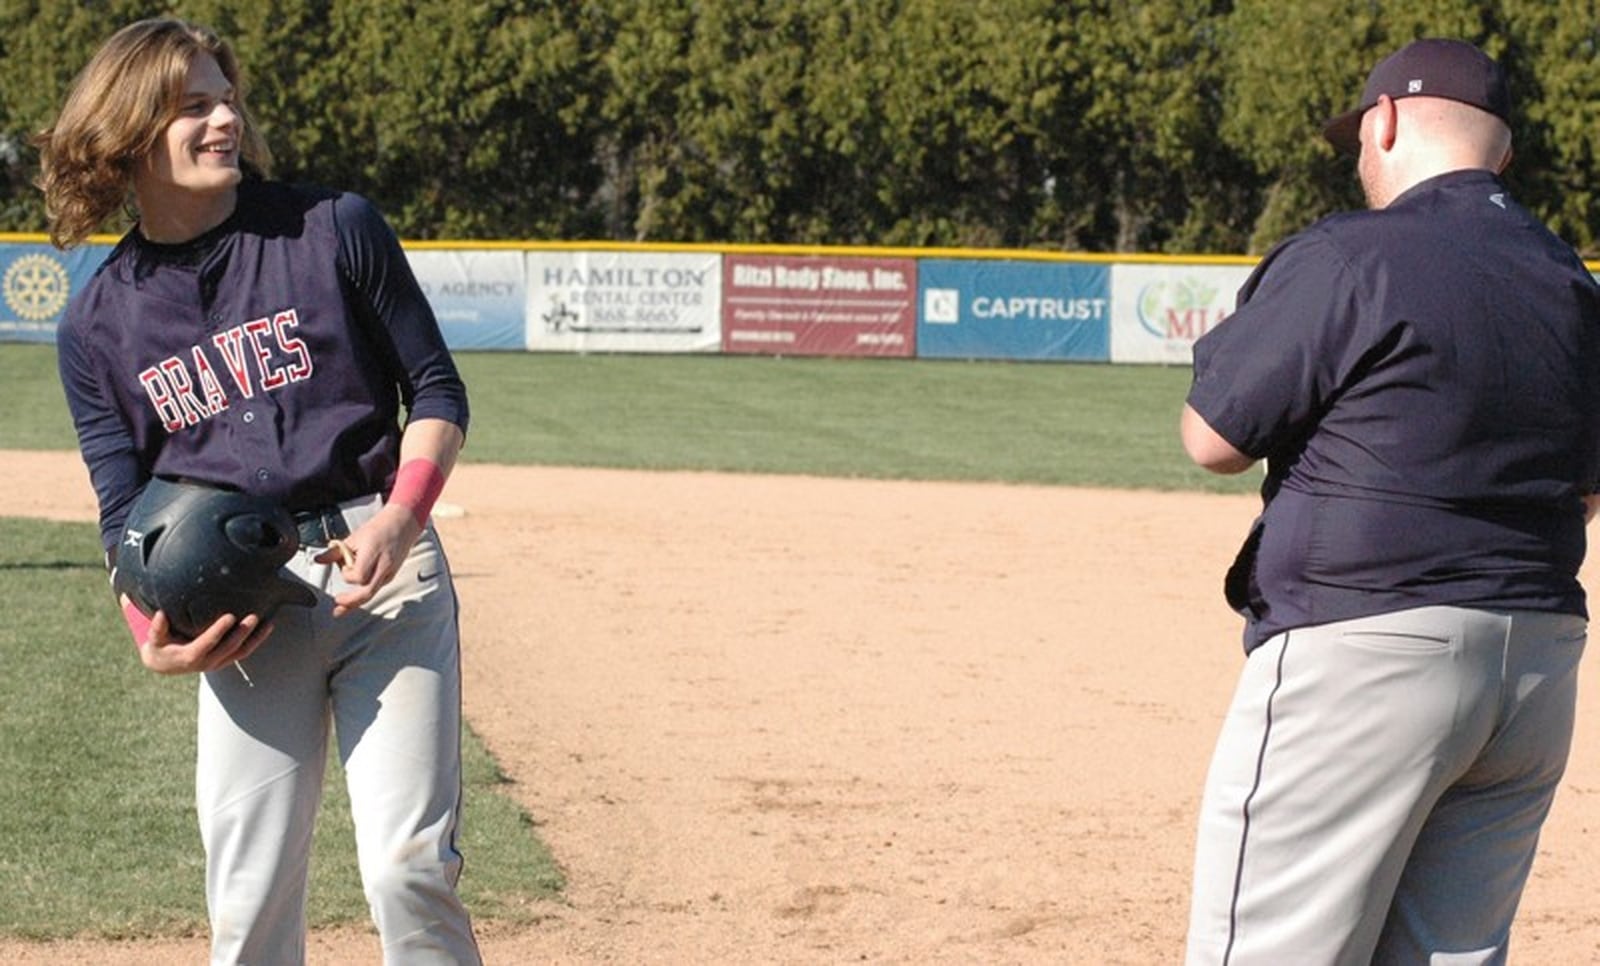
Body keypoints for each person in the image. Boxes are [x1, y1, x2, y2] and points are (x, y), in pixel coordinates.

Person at [37, 18, 481, 965]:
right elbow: (122, 517)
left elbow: (437, 391)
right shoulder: (96, 327)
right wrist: (151, 641)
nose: (224, 118)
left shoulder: (332, 228)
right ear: (128, 134)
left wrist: (403, 518)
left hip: (385, 571)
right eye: (193, 106)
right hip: (243, 612)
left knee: (408, 868)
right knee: (248, 902)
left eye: (225, 97)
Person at [1180, 38, 1600, 964]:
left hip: (1366, 652)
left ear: (1387, 121)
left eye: (1362, 138)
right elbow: (1585, 492)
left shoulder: (1352, 253)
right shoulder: (1571, 282)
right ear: (1504, 155)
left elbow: (1212, 438)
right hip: (1534, 671)